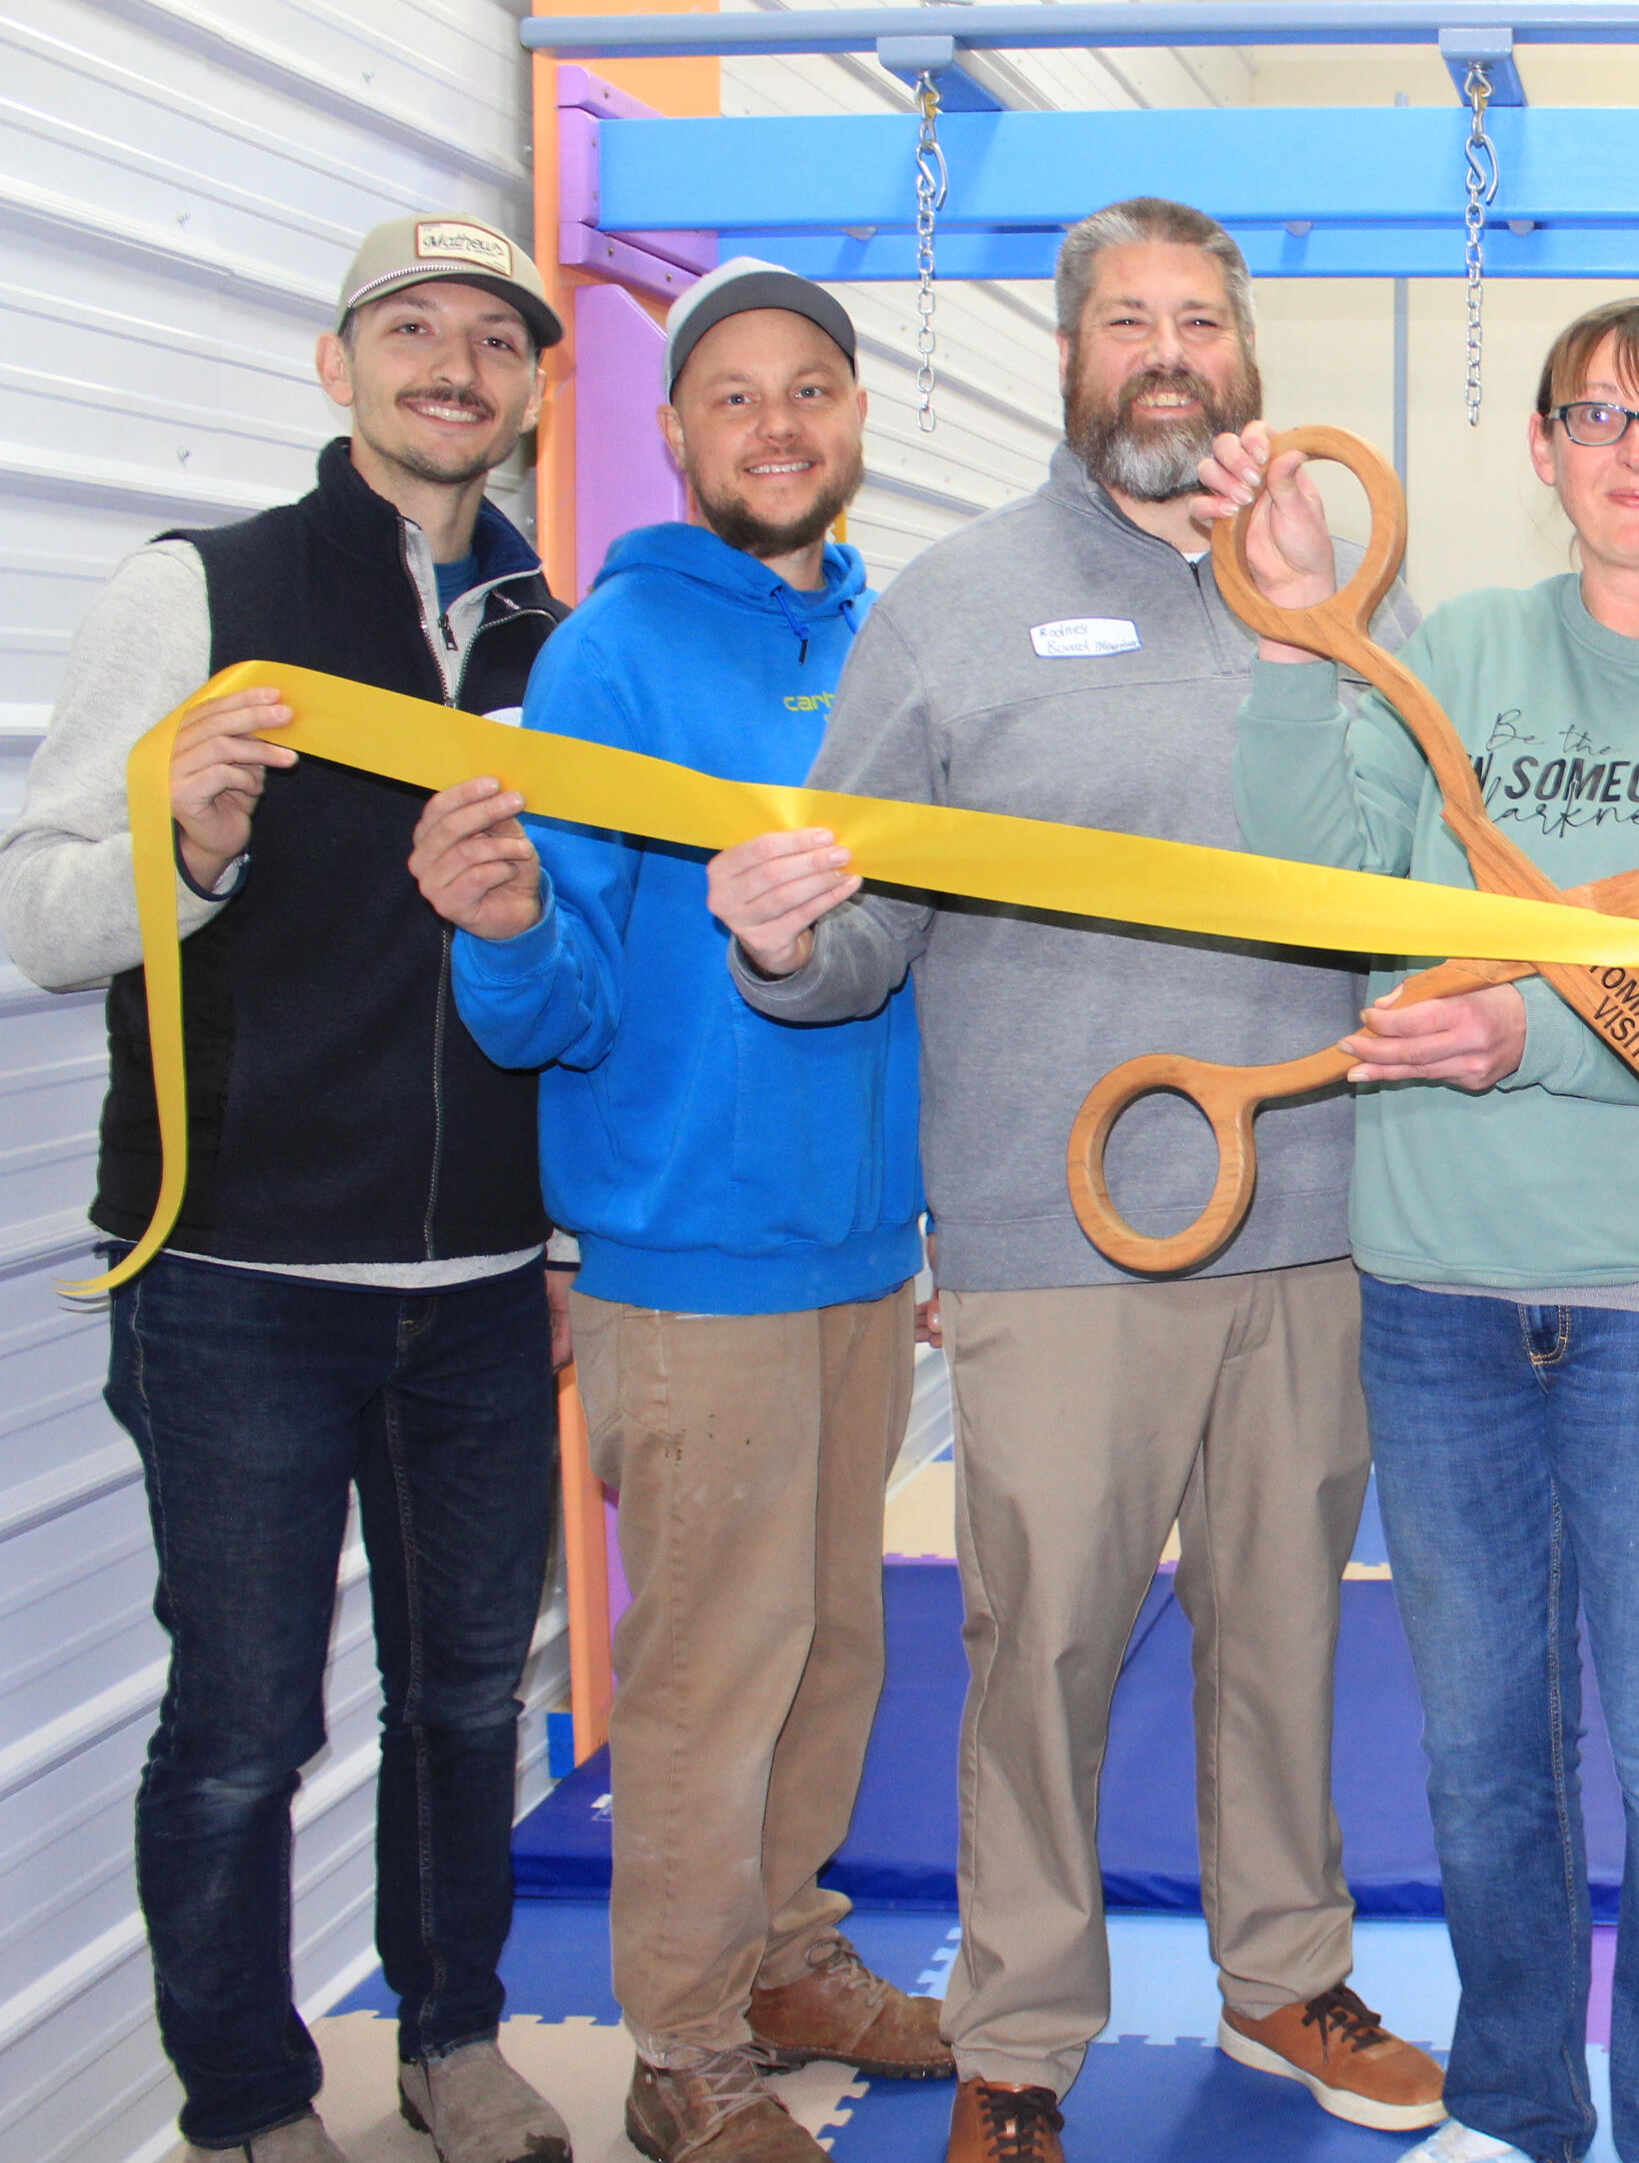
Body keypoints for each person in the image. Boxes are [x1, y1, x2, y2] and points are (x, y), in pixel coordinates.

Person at [704, 197, 1442, 2163]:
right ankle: (1020, 2041)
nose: (1169, 352)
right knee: (1036, 1654)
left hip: (1313, 1220)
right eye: (1129, 319)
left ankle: (1284, 1972)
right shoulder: (952, 608)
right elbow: (859, 933)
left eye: (1200, 318)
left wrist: (1319, 618)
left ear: (1246, 357)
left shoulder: (1344, 590)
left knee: (1287, 1633)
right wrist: (782, 938)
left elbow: (1431, 875)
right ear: (1068, 357)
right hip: (1059, 1237)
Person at [1213, 295, 1639, 2163]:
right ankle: (1517, 2106)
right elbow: (1325, 893)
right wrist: (1292, 635)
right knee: (1478, 1758)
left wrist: (1547, 1033)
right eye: (1595, 416)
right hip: (1436, 1287)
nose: (1633, 450)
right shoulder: (1464, 651)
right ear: (1539, 449)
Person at [0, 217, 579, 2163]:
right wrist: (185, 846)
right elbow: (39, 916)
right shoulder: (204, 591)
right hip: (234, 1274)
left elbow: (581, 960)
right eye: (411, 327)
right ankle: (246, 2096)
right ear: (339, 365)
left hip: (484, 1281)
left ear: (529, 385)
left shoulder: (560, 636)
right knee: (244, 1727)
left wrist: (563, 1236)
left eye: (493, 336)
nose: (453, 364)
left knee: (467, 1701)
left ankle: (455, 2037)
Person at [409, 260, 946, 2163]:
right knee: (715, 1665)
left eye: (810, 388)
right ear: (670, 431)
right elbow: (549, 1000)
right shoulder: (613, 655)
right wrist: (497, 929)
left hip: (863, 1246)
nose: (775, 424)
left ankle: (787, 1953)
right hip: (688, 1249)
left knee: (835, 1639)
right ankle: (683, 2045)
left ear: (856, 415)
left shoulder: (897, 640)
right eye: (734, 394)